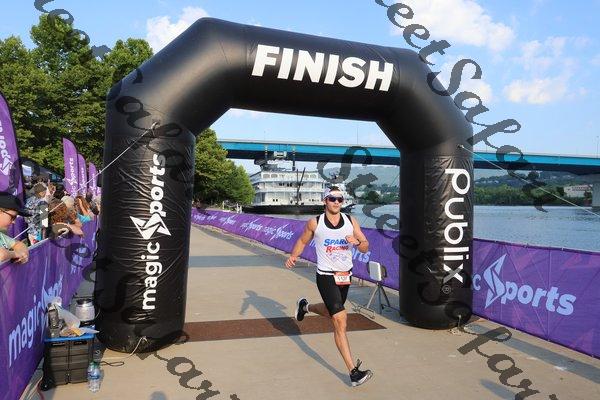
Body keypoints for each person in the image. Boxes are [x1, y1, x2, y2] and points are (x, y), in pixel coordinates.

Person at [285, 186, 373, 387]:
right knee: (340, 319)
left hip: (345, 276)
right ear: (325, 200)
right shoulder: (315, 223)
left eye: (340, 199)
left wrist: (357, 242)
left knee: (330, 311)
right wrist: (293, 256)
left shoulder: (350, 221)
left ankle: (305, 307)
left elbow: (365, 245)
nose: (336, 202)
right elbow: (302, 241)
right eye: (332, 198)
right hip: (325, 276)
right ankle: (353, 372)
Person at [0, 193, 30, 264]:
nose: (14, 222)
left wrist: (22, 255)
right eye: (12, 217)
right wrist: (15, 254)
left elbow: (19, 244)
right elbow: (1, 255)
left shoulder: (1, 235)